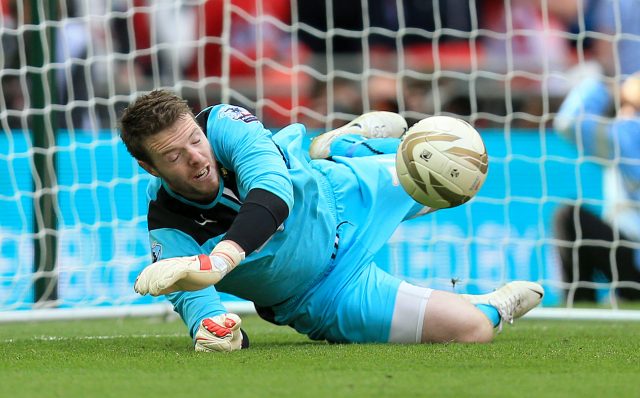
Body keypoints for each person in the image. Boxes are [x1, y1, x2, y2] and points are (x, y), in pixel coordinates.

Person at [119, 89, 544, 352]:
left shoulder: (223, 124)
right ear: (149, 167)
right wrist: (215, 330)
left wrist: (224, 257)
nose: (196, 156)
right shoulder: (168, 224)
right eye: (174, 156)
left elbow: (272, 191)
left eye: (194, 140)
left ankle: (346, 145)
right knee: (470, 330)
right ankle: (489, 304)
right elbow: (195, 301)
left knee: (452, 177)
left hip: (341, 194)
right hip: (323, 295)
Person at [553, 72, 640, 302]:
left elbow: (568, 122)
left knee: (569, 216)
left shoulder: (630, 133)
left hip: (631, 261)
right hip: (629, 260)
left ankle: (579, 300)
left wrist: (609, 88)